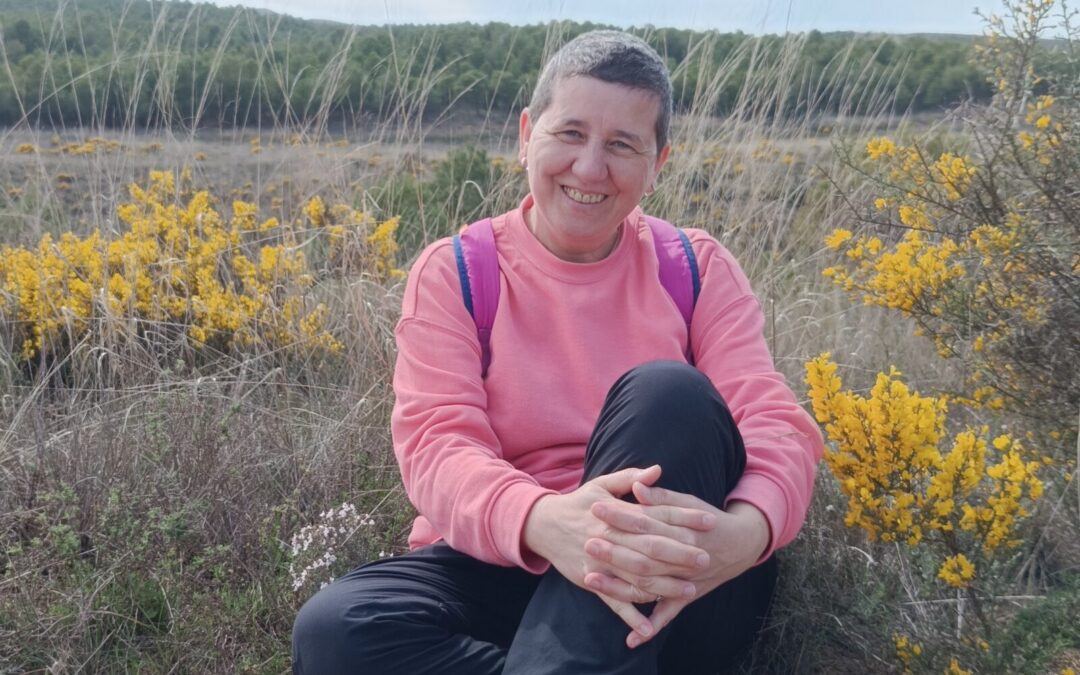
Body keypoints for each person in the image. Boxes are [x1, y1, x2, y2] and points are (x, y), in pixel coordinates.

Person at [292, 30, 823, 674]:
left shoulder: (696, 268)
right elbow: (438, 446)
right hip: (515, 551)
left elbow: (775, 426)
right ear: (525, 136)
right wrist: (545, 520)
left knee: (668, 395)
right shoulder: (458, 272)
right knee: (337, 631)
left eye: (622, 145)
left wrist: (748, 533)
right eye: (570, 133)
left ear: (658, 164)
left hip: (676, 576)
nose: (590, 167)